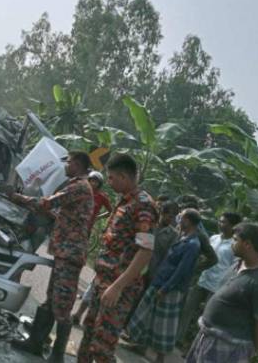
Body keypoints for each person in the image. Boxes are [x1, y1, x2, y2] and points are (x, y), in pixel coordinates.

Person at [9, 151, 93, 363]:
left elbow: (47, 203)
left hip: (70, 253)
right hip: (65, 252)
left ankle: (57, 356)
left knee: (62, 305)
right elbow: (62, 214)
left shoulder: (79, 186)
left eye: (70, 162)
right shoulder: (78, 186)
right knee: (51, 300)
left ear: (79, 164)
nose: (66, 165)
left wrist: (18, 197)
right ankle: (35, 343)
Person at [76, 153, 157, 363]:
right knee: (89, 336)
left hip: (118, 287)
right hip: (103, 280)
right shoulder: (125, 201)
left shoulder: (144, 205)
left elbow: (145, 251)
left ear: (123, 176)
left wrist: (118, 287)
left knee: (102, 347)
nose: (108, 182)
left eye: (111, 178)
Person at [185, 223, 258, 363]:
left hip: (228, 349)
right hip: (207, 338)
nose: (232, 244)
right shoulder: (238, 264)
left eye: (235, 240)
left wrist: (247, 352)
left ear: (247, 244)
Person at [127, 208, 202, 363]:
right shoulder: (182, 237)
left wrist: (166, 288)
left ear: (188, 221)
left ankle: (160, 359)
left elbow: (182, 271)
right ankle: (141, 345)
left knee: (164, 324)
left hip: (170, 288)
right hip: (160, 281)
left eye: (181, 217)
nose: (178, 219)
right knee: (147, 315)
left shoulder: (193, 244)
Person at [176, 212, 243, 347]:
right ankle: (177, 339)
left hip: (218, 285)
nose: (220, 224)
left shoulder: (234, 245)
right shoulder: (214, 238)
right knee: (187, 310)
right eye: (220, 220)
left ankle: (195, 346)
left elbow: (234, 268)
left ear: (232, 226)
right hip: (202, 279)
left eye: (224, 222)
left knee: (207, 318)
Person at [70, 170, 112, 326]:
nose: (93, 183)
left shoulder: (101, 197)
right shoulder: (81, 190)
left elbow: (110, 211)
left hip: (86, 229)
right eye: (91, 180)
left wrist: (97, 218)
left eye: (96, 182)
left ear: (99, 184)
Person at [147, 201, 180, 283]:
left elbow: (166, 256)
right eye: (169, 216)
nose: (171, 219)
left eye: (173, 217)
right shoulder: (149, 224)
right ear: (162, 213)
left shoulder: (173, 235)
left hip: (152, 271)